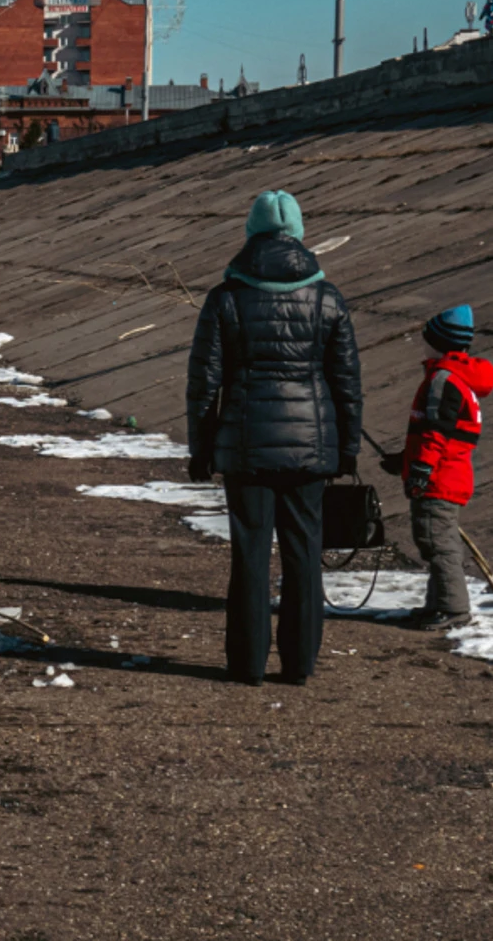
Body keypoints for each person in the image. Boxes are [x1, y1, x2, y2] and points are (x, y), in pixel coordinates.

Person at [187, 190, 363, 687]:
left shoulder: (226, 298)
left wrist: (201, 448)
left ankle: (247, 664)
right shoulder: (328, 299)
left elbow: (204, 381)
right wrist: (346, 447)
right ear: (301, 236)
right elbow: (346, 379)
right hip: (311, 446)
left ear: (250, 234)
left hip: (244, 445)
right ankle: (300, 662)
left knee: (249, 553)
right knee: (304, 553)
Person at [378, 306, 493, 630]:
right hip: (447, 475)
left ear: (439, 343)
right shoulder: (453, 379)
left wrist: (419, 470)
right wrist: (405, 460)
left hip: (440, 478)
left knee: (438, 544)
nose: (423, 345)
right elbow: (435, 432)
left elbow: (436, 434)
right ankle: (437, 605)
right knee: (436, 541)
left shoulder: (442, 380)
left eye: (427, 339)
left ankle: (455, 609)